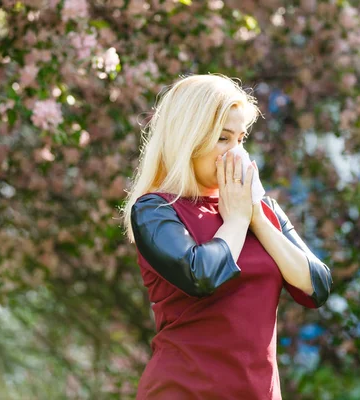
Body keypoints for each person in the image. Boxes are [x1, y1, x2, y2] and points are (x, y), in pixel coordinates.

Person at [121, 74, 333, 400]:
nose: (236, 153)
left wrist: (258, 218)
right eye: (223, 139)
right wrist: (235, 220)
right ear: (188, 140)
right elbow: (201, 275)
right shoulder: (156, 210)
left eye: (241, 138)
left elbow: (316, 287)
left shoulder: (263, 211)